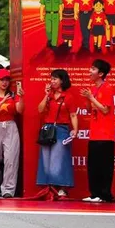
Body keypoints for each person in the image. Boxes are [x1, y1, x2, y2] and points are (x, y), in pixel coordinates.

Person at [36, 69, 78, 198]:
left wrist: (75, 130)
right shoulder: (49, 96)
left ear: (62, 80)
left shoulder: (69, 97)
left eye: (55, 79)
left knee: (59, 159)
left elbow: (73, 115)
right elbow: (40, 109)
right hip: (47, 129)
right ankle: (49, 188)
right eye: (51, 78)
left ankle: (62, 188)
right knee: (46, 158)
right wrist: (46, 95)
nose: (52, 81)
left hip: (61, 129)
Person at [0, 69, 23, 198]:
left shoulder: (14, 95)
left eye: (7, 80)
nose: (5, 82)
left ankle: (8, 189)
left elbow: (19, 110)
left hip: (10, 126)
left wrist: (21, 97)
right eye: (2, 80)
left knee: (11, 160)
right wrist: (2, 101)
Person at [82, 59, 115, 203]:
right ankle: (94, 194)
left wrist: (90, 98)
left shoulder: (107, 88)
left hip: (106, 134)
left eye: (93, 69)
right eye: (91, 68)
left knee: (104, 166)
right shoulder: (93, 88)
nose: (90, 71)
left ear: (101, 73)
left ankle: (104, 194)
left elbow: (105, 110)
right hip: (94, 133)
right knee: (93, 165)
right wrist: (88, 98)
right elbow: (90, 109)